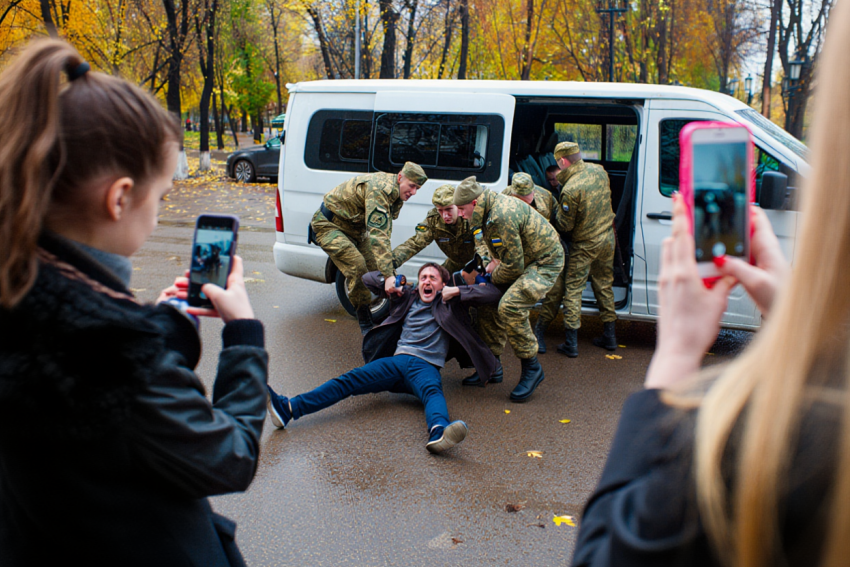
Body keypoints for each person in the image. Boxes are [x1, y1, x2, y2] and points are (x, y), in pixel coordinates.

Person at [572, 6, 850, 564]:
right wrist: (810, 336)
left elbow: (606, 550)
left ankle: (588, 330)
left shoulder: (759, 444)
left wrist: (675, 355)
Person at [0, 40, 268, 566]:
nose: (160, 209)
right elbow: (230, 459)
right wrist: (243, 335)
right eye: (162, 195)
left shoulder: (25, 288)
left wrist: (161, 322)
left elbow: (99, 403)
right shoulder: (110, 347)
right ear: (119, 197)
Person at [266, 263, 501, 453]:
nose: (427, 281)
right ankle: (288, 408)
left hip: (425, 368)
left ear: (442, 284)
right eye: (423, 278)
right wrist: (387, 282)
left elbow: (492, 292)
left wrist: (458, 291)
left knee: (433, 393)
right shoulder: (406, 297)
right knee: (348, 380)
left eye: (433, 278)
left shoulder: (451, 304)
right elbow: (367, 278)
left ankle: (439, 433)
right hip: (395, 364)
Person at [454, 176, 564, 402]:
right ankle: (492, 367)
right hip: (522, 258)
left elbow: (514, 266)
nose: (460, 214)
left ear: (474, 203)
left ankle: (532, 368)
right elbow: (489, 245)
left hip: (545, 260)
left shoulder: (499, 215)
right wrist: (487, 264)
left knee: (510, 306)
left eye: (461, 209)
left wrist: (492, 276)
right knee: (487, 301)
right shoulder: (487, 207)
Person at [310, 162, 427, 335]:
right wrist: (388, 276)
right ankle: (364, 318)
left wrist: (387, 273)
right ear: (400, 177)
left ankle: (399, 314)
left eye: (417, 188)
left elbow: (383, 231)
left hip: (355, 230)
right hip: (329, 226)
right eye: (411, 186)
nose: (414, 192)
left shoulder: (396, 192)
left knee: (378, 267)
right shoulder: (379, 189)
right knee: (358, 267)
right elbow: (379, 236)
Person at [542, 141, 617, 358]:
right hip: (607, 239)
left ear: (563, 161)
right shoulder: (599, 170)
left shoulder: (571, 189)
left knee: (573, 289)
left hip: (584, 245)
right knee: (604, 284)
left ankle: (571, 343)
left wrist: (554, 217)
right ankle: (610, 336)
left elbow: (566, 226)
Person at [392, 184, 476, 274]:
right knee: (433, 280)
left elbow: (484, 247)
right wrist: (389, 264)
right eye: (440, 210)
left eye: (449, 209)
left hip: (478, 263)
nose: (445, 215)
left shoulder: (471, 216)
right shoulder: (434, 220)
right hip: (455, 263)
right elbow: (414, 244)